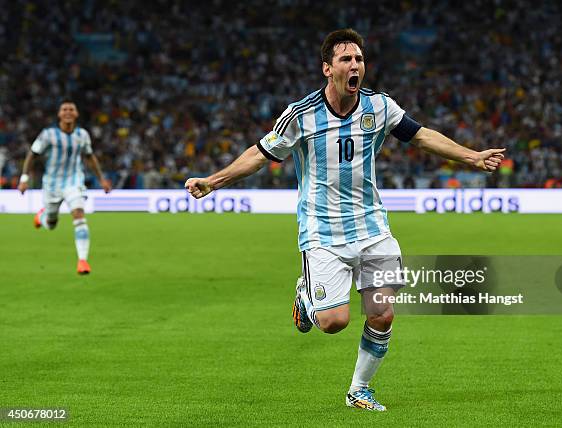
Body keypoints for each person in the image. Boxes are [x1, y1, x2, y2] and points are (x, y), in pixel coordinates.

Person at [184, 29, 504, 411]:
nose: (356, 66)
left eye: (359, 59)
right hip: (322, 232)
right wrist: (213, 181)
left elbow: (420, 136)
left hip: (372, 227)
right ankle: (307, 296)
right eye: (346, 60)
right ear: (327, 69)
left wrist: (471, 157)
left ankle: (359, 390)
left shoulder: (380, 107)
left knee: (382, 312)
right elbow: (260, 153)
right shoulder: (301, 115)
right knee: (334, 322)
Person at [18, 100, 112, 275]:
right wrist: (24, 178)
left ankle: (82, 261)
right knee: (51, 224)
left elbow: (90, 157)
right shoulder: (48, 135)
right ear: (59, 114)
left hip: (74, 181)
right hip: (52, 184)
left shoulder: (82, 135)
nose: (68, 112)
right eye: (64, 109)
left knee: (78, 213)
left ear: (76, 114)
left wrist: (102, 179)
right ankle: (42, 217)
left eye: (71, 109)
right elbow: (32, 154)